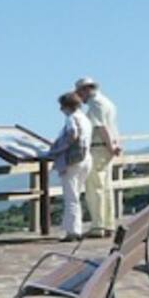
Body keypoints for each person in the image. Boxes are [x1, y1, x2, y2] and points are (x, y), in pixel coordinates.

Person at [75, 76, 122, 238]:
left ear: (85, 90)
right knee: (106, 187)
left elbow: (102, 128)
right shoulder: (108, 102)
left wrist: (110, 146)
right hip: (106, 149)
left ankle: (98, 226)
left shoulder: (96, 104)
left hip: (98, 148)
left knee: (95, 189)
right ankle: (108, 224)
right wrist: (114, 146)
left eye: (80, 93)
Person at [47, 91, 92, 241]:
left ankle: (73, 231)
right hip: (86, 159)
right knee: (76, 195)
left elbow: (73, 134)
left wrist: (59, 149)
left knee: (70, 196)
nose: (61, 110)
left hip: (73, 161)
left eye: (62, 106)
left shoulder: (72, 118)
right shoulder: (85, 118)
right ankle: (75, 228)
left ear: (67, 106)